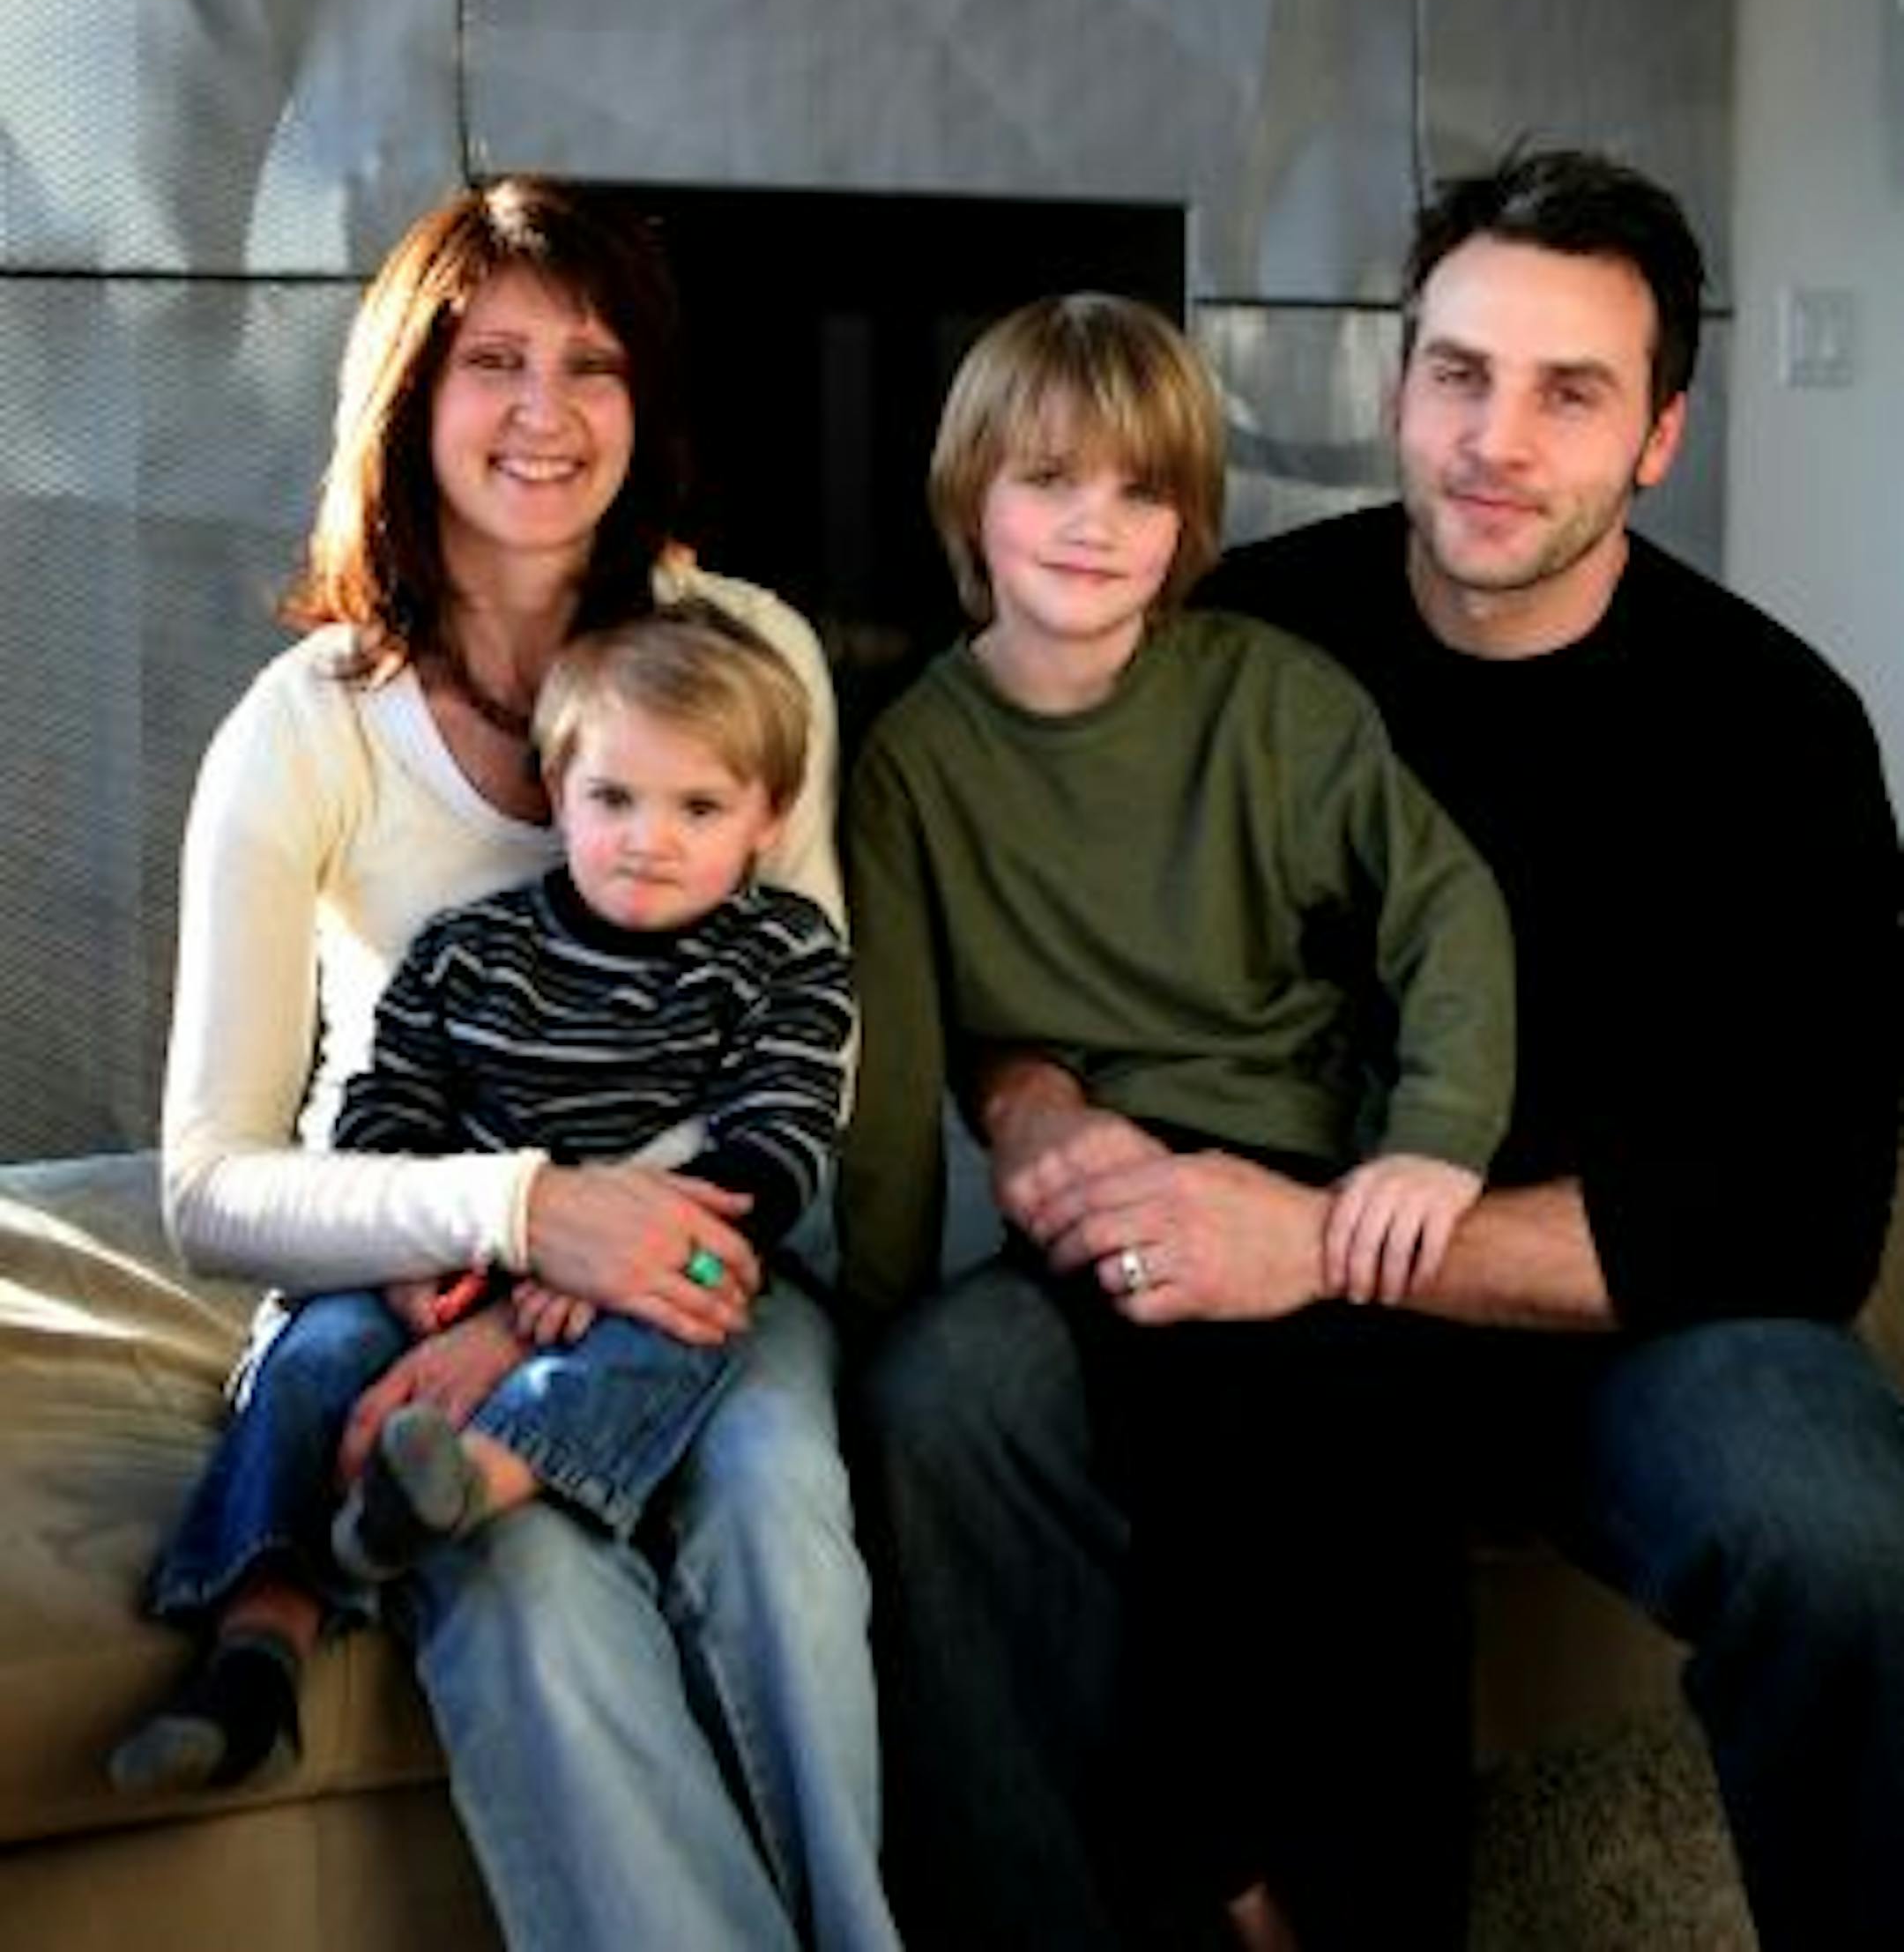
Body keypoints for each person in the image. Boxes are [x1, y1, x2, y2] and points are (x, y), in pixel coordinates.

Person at [848, 147, 1904, 1952]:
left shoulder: (1779, 727)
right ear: (1399, 384)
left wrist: (1343, 1242)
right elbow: (1028, 872)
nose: (1497, 439)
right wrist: (1029, 1102)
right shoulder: (1232, 628)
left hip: (1619, 1329)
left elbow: (1803, 1217)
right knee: (950, 1390)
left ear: (1659, 435)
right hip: (1248, 1264)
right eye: (1459, 372)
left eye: (1570, 392)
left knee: (1849, 1527)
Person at [145, 175, 896, 1952]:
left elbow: (808, 1040)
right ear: (411, 394)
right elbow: (208, 1183)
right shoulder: (307, 727)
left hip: (709, 1252)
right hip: (422, 1267)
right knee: (516, 1558)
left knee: (778, 1489)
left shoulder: (753, 655)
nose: (545, 410)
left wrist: (592, 1264)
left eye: (593, 362)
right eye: (494, 359)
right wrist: (520, 1230)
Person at [839, 290, 1516, 1947]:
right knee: (1035, 1401)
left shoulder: (1270, 697)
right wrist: (868, 1318)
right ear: (969, 496)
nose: (1095, 522)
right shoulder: (912, 764)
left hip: (1293, 1172)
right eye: (1049, 477)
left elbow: (1446, 910)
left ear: (1188, 520)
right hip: (1096, 1196)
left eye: (1140, 489)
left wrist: (1435, 1138)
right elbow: (892, 1075)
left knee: (1352, 1453)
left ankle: (1316, 1894)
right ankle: (1203, 1868)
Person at [111, 599, 856, 1790]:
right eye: (613, 798)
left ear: (770, 817)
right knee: (317, 1355)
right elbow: (386, 1117)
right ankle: (254, 1640)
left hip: (666, 1260)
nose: (649, 840)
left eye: (699, 808)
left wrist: (612, 1271)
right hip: (458, 1254)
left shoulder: (785, 954)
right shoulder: (469, 950)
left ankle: (463, 1487)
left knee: (685, 1327)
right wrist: (431, 1268)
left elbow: (778, 1144)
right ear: (556, 792)